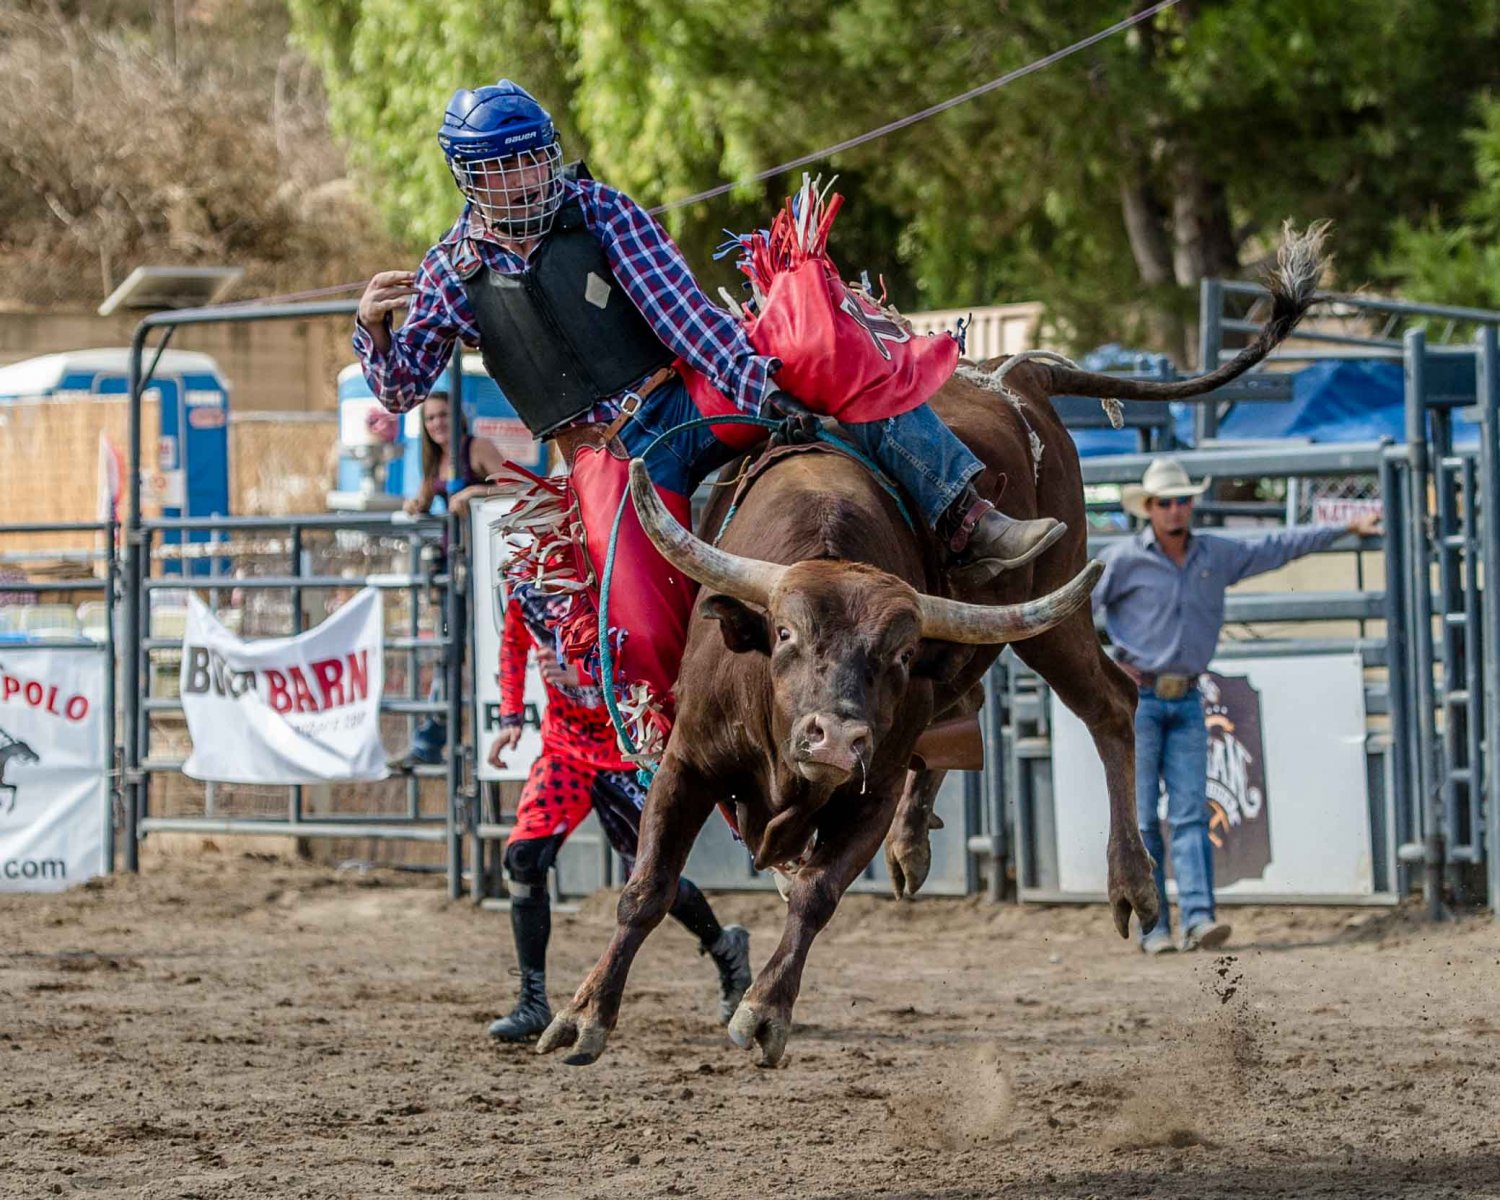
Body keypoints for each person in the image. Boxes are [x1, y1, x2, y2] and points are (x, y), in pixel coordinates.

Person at [354, 79, 1063, 756]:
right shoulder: (450, 270)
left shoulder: (602, 211)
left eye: (535, 159)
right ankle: (723, 767)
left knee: (826, 354)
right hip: (609, 454)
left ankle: (963, 513)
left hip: (684, 394)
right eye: (506, 169)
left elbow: (687, 318)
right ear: (470, 179)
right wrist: (375, 332)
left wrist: (766, 390)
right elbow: (399, 388)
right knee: (641, 640)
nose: (530, 179)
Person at [1094, 457, 1382, 955]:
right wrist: (1106, 665)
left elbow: (1278, 546)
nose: (1176, 509)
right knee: (1144, 819)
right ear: (1151, 509)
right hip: (1139, 699)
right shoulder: (1124, 562)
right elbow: (1086, 612)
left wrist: (1341, 527)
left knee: (1186, 812)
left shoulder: (1213, 554)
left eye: (1182, 500)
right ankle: (1156, 927)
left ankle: (1197, 920)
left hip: (1183, 697)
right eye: (1167, 502)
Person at [485, 580, 752, 1041]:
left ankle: (725, 948)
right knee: (524, 857)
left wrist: (585, 674)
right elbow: (512, 648)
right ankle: (532, 1001)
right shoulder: (524, 592)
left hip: (626, 747)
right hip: (565, 747)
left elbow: (651, 656)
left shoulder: (613, 579)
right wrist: (511, 718)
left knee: (651, 875)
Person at [389, 391, 507, 770]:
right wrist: (416, 504)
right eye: (429, 419)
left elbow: (518, 486)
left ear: (458, 416)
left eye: (442, 416)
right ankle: (435, 739)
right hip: (450, 567)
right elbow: (425, 498)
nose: (437, 424)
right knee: (449, 652)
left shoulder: (478, 449)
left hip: (483, 565)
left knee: (481, 650)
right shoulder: (435, 461)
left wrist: (476, 492)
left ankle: (478, 736)